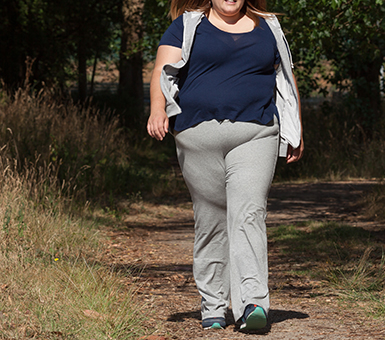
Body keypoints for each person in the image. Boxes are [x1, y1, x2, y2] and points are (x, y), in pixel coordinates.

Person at [147, 0, 303, 332]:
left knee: (248, 212)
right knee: (211, 219)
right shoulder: (188, 25)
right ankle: (214, 305)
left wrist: (296, 129)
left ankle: (252, 304)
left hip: (256, 133)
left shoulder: (269, 26)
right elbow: (161, 71)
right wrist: (157, 109)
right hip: (196, 135)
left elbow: (287, 79)